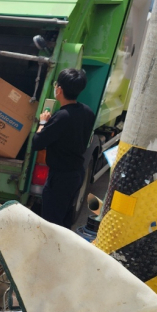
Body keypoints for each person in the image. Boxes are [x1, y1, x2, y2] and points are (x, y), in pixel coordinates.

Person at [32, 68, 95, 227]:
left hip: (60, 178)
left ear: (59, 90)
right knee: (64, 220)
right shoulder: (87, 111)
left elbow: (37, 142)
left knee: (51, 224)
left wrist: (43, 123)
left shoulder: (62, 117)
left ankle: (50, 251)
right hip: (76, 173)